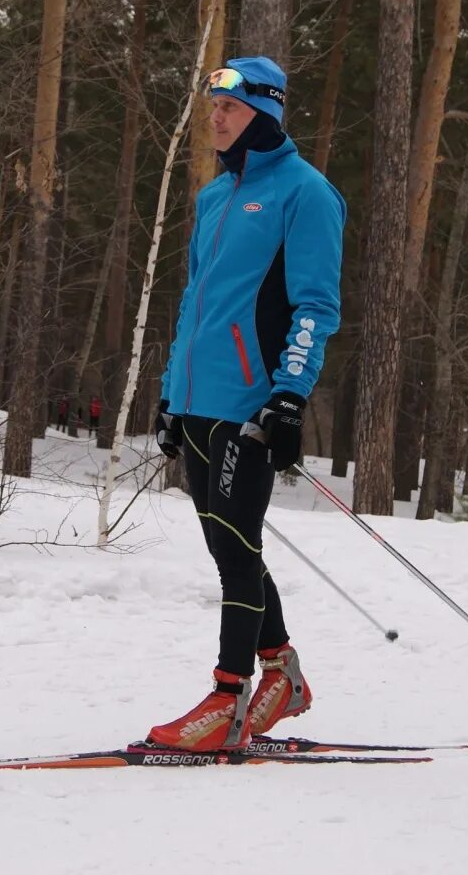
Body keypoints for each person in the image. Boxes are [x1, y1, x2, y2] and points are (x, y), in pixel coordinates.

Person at [148, 55, 346, 752]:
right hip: (201, 401)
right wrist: (173, 395)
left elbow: (316, 307)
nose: (216, 118)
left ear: (264, 112)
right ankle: (283, 674)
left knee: (236, 548)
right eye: (212, 107)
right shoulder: (212, 198)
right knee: (227, 543)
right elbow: (194, 305)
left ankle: (227, 701)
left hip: (252, 403)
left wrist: (289, 396)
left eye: (227, 107)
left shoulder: (307, 193)